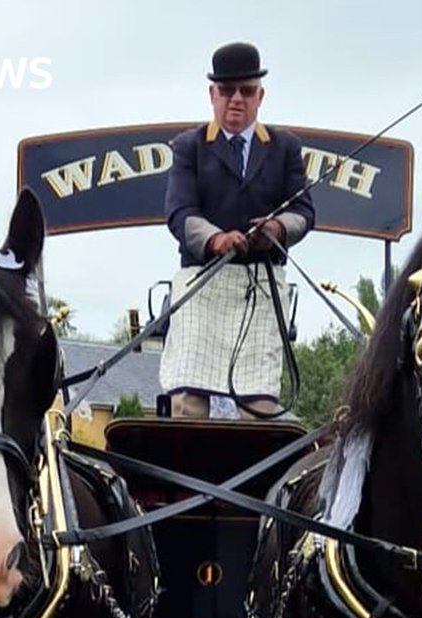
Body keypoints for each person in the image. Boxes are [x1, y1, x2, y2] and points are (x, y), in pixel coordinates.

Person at [160, 42, 315, 418]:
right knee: (187, 402)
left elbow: (304, 212)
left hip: (261, 288)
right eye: (227, 91)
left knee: (260, 405)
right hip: (201, 285)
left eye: (246, 91)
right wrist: (215, 239)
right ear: (212, 95)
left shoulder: (285, 147)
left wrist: (275, 228)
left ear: (260, 95)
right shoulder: (189, 147)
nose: (236, 100)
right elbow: (179, 213)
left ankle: (256, 478)